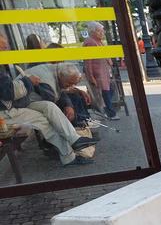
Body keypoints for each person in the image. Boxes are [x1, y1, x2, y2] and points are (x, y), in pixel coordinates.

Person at [0, 35, 97, 165]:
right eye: (3, 47)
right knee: (43, 120)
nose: (6, 49)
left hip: (17, 104)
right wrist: (28, 81)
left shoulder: (6, 63)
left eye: (6, 46)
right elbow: (8, 92)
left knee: (49, 107)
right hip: (7, 110)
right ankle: (68, 157)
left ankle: (75, 140)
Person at [26, 62, 92, 127]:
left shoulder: (57, 71)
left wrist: (78, 91)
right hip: (27, 103)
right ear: (61, 77)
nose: (71, 86)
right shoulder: (49, 82)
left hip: (44, 96)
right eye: (69, 84)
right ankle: (77, 123)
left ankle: (84, 120)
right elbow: (56, 97)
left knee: (75, 95)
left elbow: (63, 88)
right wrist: (69, 106)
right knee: (67, 104)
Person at [84, 21, 118, 120]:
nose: (102, 33)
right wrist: (91, 77)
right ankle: (110, 112)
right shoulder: (90, 42)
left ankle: (106, 110)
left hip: (104, 72)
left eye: (102, 31)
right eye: (99, 31)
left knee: (110, 88)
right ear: (92, 32)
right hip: (98, 73)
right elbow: (88, 62)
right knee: (105, 93)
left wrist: (110, 62)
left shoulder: (99, 42)